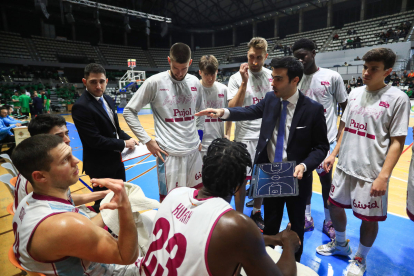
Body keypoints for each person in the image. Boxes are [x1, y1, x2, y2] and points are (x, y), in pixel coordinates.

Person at [196, 56, 329, 261]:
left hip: (297, 177)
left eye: (278, 79)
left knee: (296, 228)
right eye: (273, 77)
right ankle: (266, 266)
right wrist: (222, 112)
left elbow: (321, 147)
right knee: (270, 226)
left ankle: (294, 266)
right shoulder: (270, 99)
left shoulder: (313, 109)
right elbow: (248, 111)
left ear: (294, 80)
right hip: (271, 174)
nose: (272, 82)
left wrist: (304, 165)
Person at [141, 138, 310, 276]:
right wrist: (289, 244)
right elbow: (238, 238)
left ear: (204, 169)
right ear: (238, 184)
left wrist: (273, 239)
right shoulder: (236, 225)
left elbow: (211, 236)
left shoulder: (175, 194)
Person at [317, 48, 410, 276]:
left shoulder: (398, 99)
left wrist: (383, 176)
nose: (366, 72)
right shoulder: (355, 93)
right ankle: (340, 244)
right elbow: (345, 128)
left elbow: (398, 142)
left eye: (374, 69)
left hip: (372, 173)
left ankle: (360, 257)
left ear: (388, 71)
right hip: (345, 166)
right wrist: (333, 154)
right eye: (365, 67)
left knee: (368, 219)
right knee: (335, 206)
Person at [12, 134, 141, 275]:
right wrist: (124, 206)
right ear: (41, 176)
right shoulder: (64, 225)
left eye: (71, 154)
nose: (77, 161)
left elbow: (72, 205)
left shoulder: (29, 199)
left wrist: (103, 194)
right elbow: (126, 257)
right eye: (65, 160)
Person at [123, 43, 205, 202]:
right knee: (169, 201)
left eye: (184, 68)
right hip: (168, 155)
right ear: (169, 60)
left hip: (194, 153)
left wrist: (199, 137)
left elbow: (200, 112)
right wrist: (147, 141)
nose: (180, 73)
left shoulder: (195, 82)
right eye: (176, 68)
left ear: (190, 63)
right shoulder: (155, 82)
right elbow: (129, 111)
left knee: (194, 198)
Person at [293, 38, 348, 240]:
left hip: (324, 143)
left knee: (326, 183)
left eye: (303, 55)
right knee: (303, 182)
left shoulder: (332, 76)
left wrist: (338, 141)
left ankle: (329, 220)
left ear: (314, 53)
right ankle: (307, 218)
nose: (300, 60)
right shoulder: (295, 80)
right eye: (296, 57)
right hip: (301, 143)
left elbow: (345, 108)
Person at [72, 63, 137, 212]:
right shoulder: (81, 106)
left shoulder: (107, 99)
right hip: (99, 165)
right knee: (104, 204)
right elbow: (94, 140)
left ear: (106, 81)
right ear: (84, 82)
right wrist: (124, 143)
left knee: (120, 198)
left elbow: (116, 129)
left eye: (101, 81)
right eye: (93, 82)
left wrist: (131, 140)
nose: (98, 86)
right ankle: (105, 233)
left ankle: (119, 229)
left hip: (116, 160)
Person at [12, 113, 109, 213]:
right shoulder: (41, 177)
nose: (67, 140)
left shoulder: (35, 163)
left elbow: (66, 199)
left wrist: (105, 193)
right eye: (59, 137)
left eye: (66, 133)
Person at [227, 37, 273, 229]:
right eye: (251, 57)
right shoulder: (236, 78)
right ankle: (238, 216)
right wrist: (244, 83)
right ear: (247, 54)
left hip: (266, 137)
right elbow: (232, 108)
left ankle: (256, 212)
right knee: (240, 180)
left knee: (262, 178)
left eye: (259, 58)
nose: (254, 62)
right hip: (244, 137)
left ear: (266, 57)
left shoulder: (272, 76)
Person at [198, 55, 232, 158]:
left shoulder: (223, 89)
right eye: (206, 74)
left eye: (212, 74)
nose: (210, 78)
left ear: (217, 71)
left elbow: (229, 113)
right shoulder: (194, 90)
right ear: (200, 72)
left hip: (218, 144)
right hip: (199, 145)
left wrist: (228, 134)